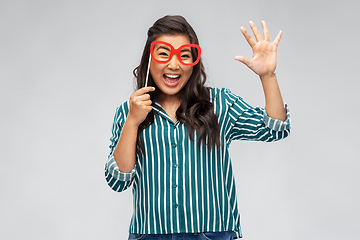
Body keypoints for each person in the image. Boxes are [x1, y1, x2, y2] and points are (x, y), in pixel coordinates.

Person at [105, 15, 291, 240]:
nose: (174, 65)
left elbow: (275, 129)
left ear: (194, 63)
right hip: (149, 234)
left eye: (184, 56)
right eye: (163, 54)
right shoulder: (128, 112)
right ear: (149, 59)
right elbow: (118, 180)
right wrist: (133, 121)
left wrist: (268, 76)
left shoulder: (220, 103)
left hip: (212, 233)